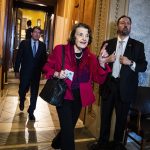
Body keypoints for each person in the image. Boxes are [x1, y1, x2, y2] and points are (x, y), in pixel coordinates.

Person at [42, 23, 111, 150]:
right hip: (63, 95)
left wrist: (101, 63)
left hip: (79, 98)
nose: (84, 38)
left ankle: (57, 142)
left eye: (86, 35)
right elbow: (46, 68)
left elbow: (99, 79)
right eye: (80, 34)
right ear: (73, 36)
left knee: (68, 126)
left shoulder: (90, 57)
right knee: (69, 133)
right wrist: (56, 73)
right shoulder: (60, 50)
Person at [90, 15, 147, 150]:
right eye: (122, 22)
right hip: (108, 86)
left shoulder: (138, 46)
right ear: (118, 26)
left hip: (125, 89)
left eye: (128, 23)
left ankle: (117, 144)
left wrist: (130, 62)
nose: (125, 25)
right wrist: (104, 60)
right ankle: (102, 143)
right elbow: (100, 67)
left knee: (121, 120)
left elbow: (143, 66)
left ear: (130, 26)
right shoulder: (107, 44)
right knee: (105, 118)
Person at [14, 26, 47, 121]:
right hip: (25, 72)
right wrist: (16, 70)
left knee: (34, 93)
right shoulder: (24, 43)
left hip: (36, 74)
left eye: (39, 33)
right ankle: (22, 100)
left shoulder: (42, 45)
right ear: (32, 33)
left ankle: (31, 111)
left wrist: (44, 72)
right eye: (35, 32)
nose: (37, 34)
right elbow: (19, 57)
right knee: (22, 89)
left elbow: (44, 60)